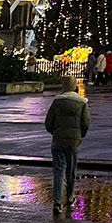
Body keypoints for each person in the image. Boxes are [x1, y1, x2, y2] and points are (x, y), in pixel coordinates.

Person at [44, 77, 91, 215]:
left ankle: (57, 203)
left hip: (58, 141)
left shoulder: (57, 102)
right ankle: (70, 197)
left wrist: (56, 132)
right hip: (74, 141)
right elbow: (86, 122)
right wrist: (80, 134)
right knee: (71, 171)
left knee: (58, 172)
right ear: (75, 86)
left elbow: (48, 122)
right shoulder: (82, 103)